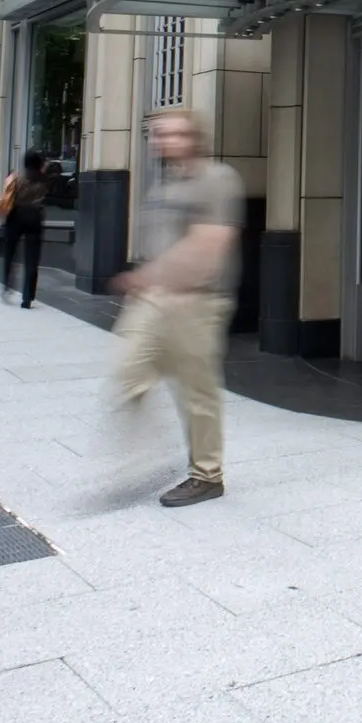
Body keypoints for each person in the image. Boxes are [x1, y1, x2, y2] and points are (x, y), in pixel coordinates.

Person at [111, 109, 244, 508]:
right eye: (157, 135)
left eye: (172, 134)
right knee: (127, 373)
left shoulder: (217, 180)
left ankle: (207, 476)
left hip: (196, 301)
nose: (162, 141)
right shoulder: (164, 185)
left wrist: (157, 278)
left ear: (194, 137)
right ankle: (150, 456)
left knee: (196, 393)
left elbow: (211, 243)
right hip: (155, 297)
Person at [0, 151, 50, 308]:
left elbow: (8, 196)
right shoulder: (44, 180)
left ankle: (6, 285)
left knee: (10, 254)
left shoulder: (17, 179)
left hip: (16, 216)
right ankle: (27, 297)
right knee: (32, 259)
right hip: (35, 217)